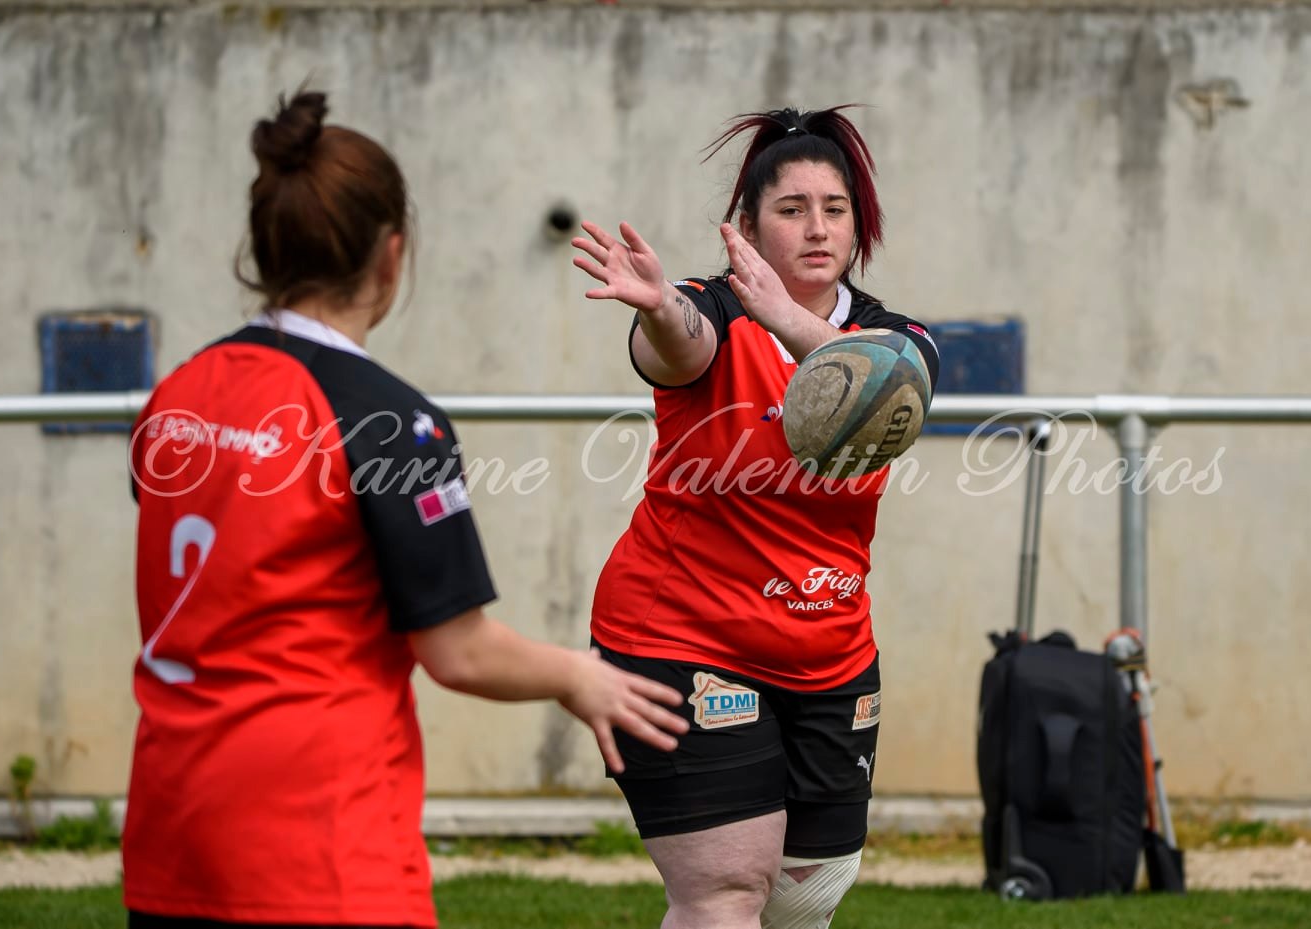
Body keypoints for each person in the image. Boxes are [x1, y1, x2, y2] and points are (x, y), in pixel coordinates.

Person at [122, 90, 688, 929]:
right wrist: (581, 676)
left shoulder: (178, 392)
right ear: (392, 255)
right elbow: (457, 650)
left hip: (170, 836)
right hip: (318, 847)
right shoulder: (388, 420)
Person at [571, 106, 941, 929]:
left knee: (806, 894)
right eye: (791, 208)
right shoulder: (711, 309)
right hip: (679, 636)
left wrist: (788, 319)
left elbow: (892, 382)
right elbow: (682, 344)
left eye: (834, 208)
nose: (817, 227)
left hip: (827, 646)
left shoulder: (895, 336)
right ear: (748, 225)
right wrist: (658, 305)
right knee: (727, 888)